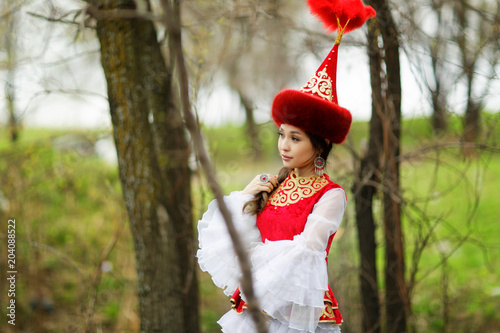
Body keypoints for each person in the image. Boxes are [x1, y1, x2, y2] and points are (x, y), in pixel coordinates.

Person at [196, 1, 376, 332]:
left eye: (295, 138)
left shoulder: (331, 196)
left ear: (319, 145)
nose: (283, 145)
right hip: (254, 313)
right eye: (282, 135)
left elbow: (308, 250)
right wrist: (247, 197)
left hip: (299, 315)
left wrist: (259, 279)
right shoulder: (271, 183)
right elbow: (238, 241)